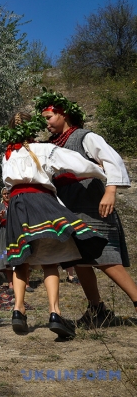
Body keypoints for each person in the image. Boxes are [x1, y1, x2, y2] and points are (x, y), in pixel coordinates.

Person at [0, 112, 108, 339]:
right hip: (41, 202)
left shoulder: (7, 155)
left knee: (21, 260)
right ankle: (55, 313)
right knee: (50, 261)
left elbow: (6, 182)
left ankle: (18, 310)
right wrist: (99, 170)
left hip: (17, 205)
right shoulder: (45, 149)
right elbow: (75, 163)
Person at [35, 89, 137, 327]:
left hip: (90, 200)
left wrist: (111, 190)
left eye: (49, 118)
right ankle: (97, 309)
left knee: (104, 254)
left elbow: (112, 159)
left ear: (63, 114)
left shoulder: (84, 137)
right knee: (79, 257)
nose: (46, 124)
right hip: (67, 204)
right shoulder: (51, 144)